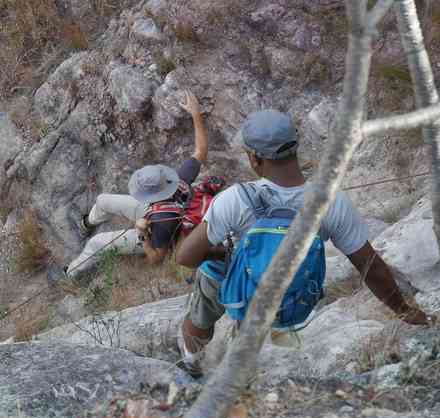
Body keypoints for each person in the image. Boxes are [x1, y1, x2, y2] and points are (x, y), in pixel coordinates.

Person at [174, 109, 431, 378]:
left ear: (255, 157)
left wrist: (222, 252)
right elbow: (369, 265)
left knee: (208, 286)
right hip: (292, 297)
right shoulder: (331, 201)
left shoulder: (235, 199)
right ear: (295, 148)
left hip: (235, 286)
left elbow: (185, 258)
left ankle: (192, 360)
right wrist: (403, 311)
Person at [65, 93, 209, 277]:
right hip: (153, 211)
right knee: (102, 200)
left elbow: (156, 259)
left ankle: (70, 273)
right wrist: (196, 114)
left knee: (96, 243)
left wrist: (142, 234)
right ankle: (87, 223)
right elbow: (201, 150)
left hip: (153, 228)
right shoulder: (179, 180)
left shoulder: (164, 221)